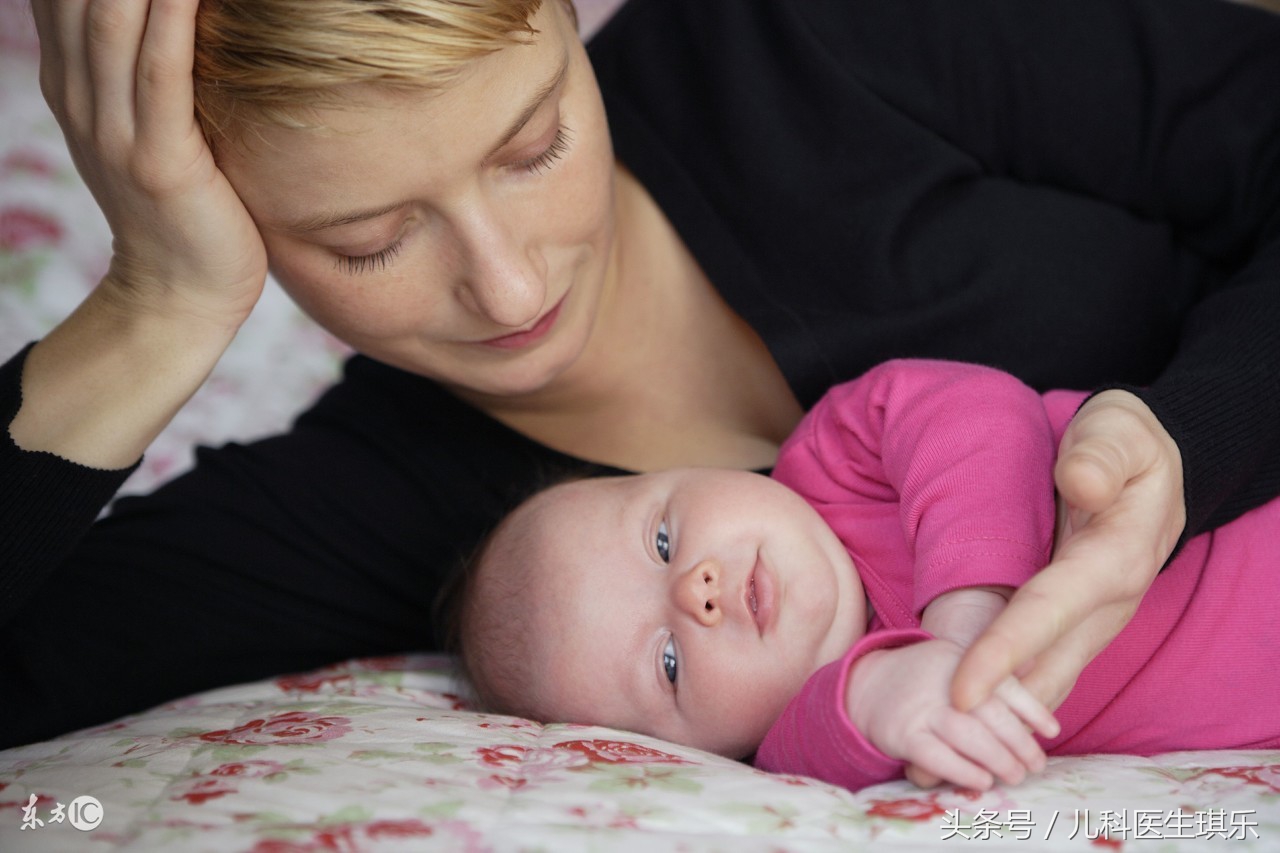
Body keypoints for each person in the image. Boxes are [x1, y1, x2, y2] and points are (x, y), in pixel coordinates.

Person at [2, 0, 1278, 750]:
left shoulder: (802, 42)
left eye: (533, 142)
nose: (509, 289)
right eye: (368, 239)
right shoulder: (382, 509)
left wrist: (1195, 431)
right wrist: (154, 309)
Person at [451, 359, 1280, 793]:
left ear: (687, 467)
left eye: (664, 539)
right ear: (700, 751)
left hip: (1242, 494)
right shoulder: (801, 732)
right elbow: (852, 737)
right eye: (668, 661)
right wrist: (886, 695)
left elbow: (983, 417)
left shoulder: (841, 449)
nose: (694, 590)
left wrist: (962, 626)